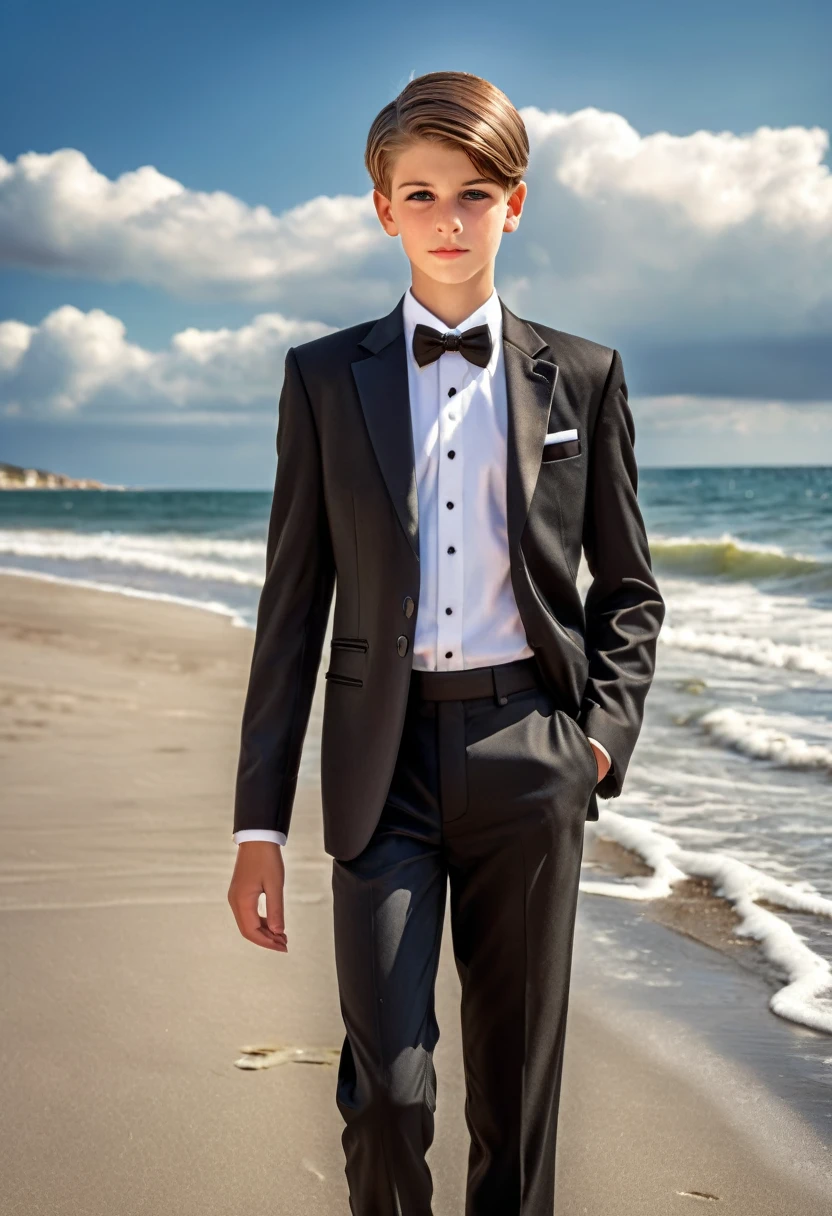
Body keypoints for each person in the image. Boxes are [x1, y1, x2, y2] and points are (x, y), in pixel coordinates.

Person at [227, 69, 665, 1216]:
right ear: (383, 209)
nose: (449, 220)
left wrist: (597, 749)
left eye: (474, 194)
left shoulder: (582, 374)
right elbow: (290, 606)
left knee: (516, 1106)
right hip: (382, 769)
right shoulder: (323, 379)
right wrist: (259, 821)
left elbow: (628, 592)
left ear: (514, 203)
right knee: (387, 1094)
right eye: (420, 196)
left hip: (532, 757)